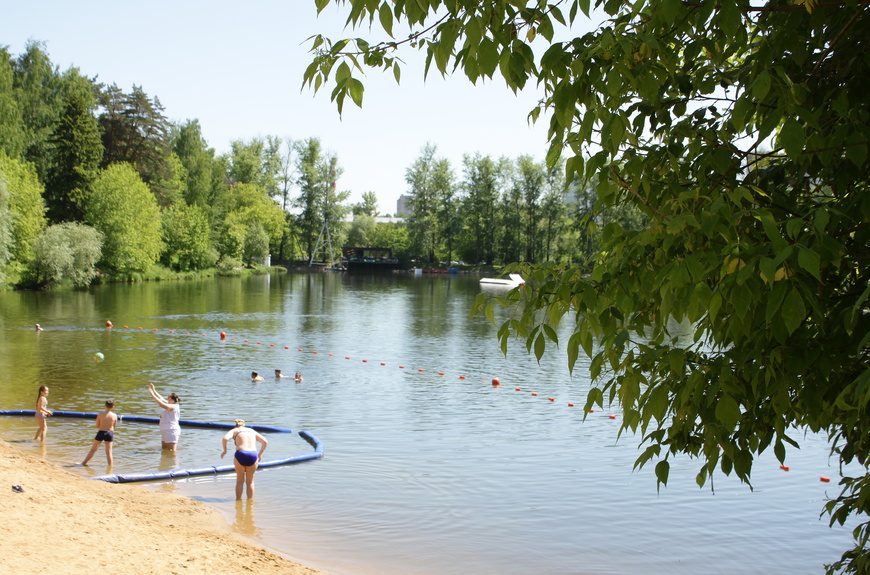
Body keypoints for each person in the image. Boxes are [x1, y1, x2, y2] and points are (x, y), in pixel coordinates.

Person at [221, 419, 268, 500]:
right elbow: (265, 442)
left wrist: (225, 451)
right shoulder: (252, 431)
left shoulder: (235, 430)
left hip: (241, 454)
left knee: (240, 481)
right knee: (250, 482)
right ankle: (250, 503)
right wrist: (260, 454)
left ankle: (238, 501)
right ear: (244, 425)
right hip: (253, 455)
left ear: (235, 425)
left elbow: (225, 438)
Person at [82, 400, 117, 466]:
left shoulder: (100, 414)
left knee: (93, 449)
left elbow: (97, 425)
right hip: (109, 433)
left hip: (101, 432)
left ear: (104, 406)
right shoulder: (114, 415)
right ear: (113, 407)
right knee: (109, 452)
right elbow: (114, 426)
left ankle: (84, 462)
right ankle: (110, 466)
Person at [148, 383, 181, 451]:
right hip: (165, 430)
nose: (167, 397)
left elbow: (161, 404)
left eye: (169, 396)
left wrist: (152, 394)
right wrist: (154, 390)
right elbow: (161, 399)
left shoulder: (173, 406)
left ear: (172, 399)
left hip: (171, 431)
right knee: (164, 450)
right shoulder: (169, 403)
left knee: (171, 451)